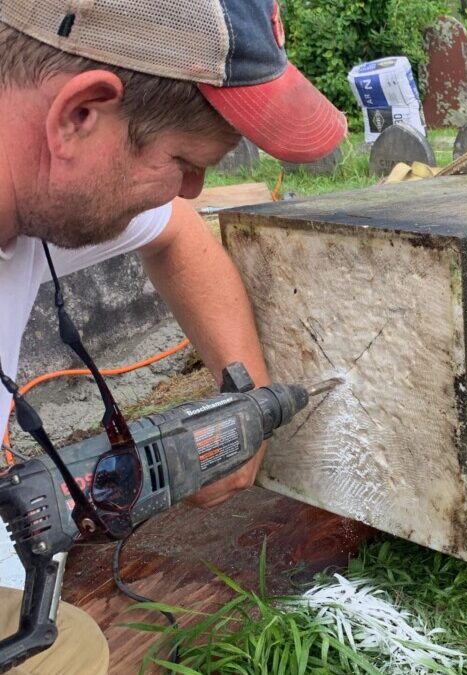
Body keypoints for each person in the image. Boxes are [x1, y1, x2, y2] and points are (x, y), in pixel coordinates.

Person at [0, 1, 347, 672]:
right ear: (79, 115)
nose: (191, 190)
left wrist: (249, 399)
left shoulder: (30, 177)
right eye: (183, 160)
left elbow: (179, 235)